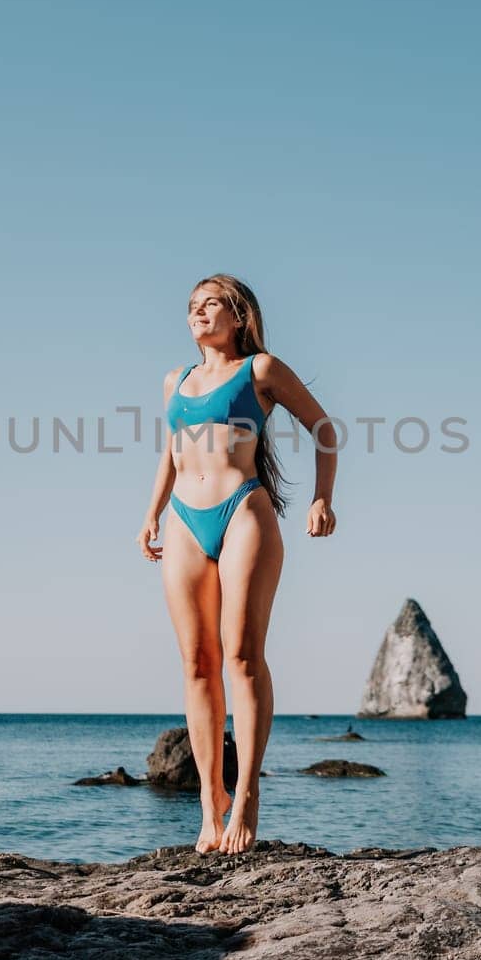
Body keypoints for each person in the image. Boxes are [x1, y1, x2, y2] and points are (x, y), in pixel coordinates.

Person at [136, 274, 338, 854]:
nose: (199, 313)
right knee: (197, 664)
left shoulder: (261, 371)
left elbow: (324, 430)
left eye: (211, 304)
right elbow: (172, 454)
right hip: (182, 520)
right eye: (192, 307)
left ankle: (246, 794)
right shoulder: (177, 379)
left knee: (242, 657)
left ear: (239, 314)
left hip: (243, 512)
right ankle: (211, 802)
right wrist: (149, 514)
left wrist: (323, 497)